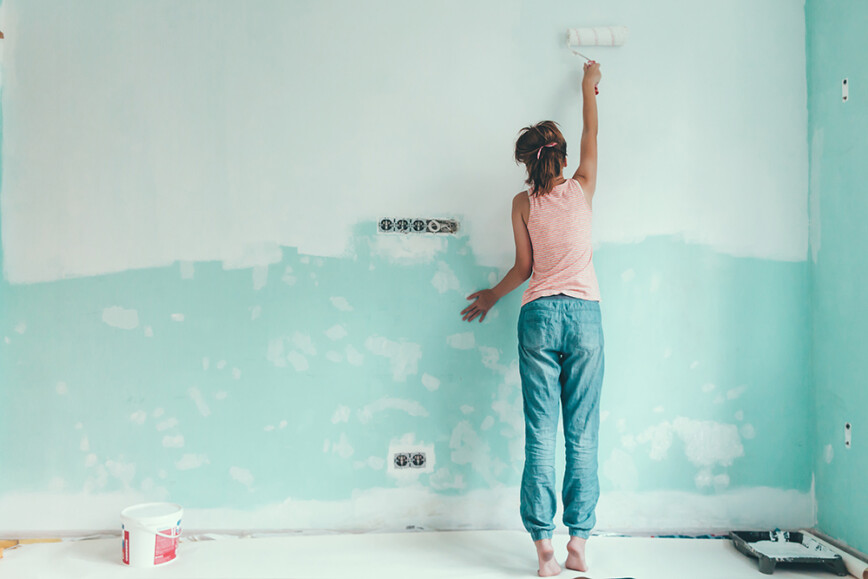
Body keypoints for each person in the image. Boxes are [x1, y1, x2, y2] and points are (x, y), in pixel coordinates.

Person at [461, 61, 604, 577]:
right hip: (585, 317)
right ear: (562, 157)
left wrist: (491, 297)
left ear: (527, 165)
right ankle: (577, 545)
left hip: (538, 315)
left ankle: (544, 550)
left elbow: (524, 269)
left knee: (541, 434)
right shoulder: (582, 186)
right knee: (581, 434)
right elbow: (592, 133)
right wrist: (588, 86)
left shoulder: (522, 203)